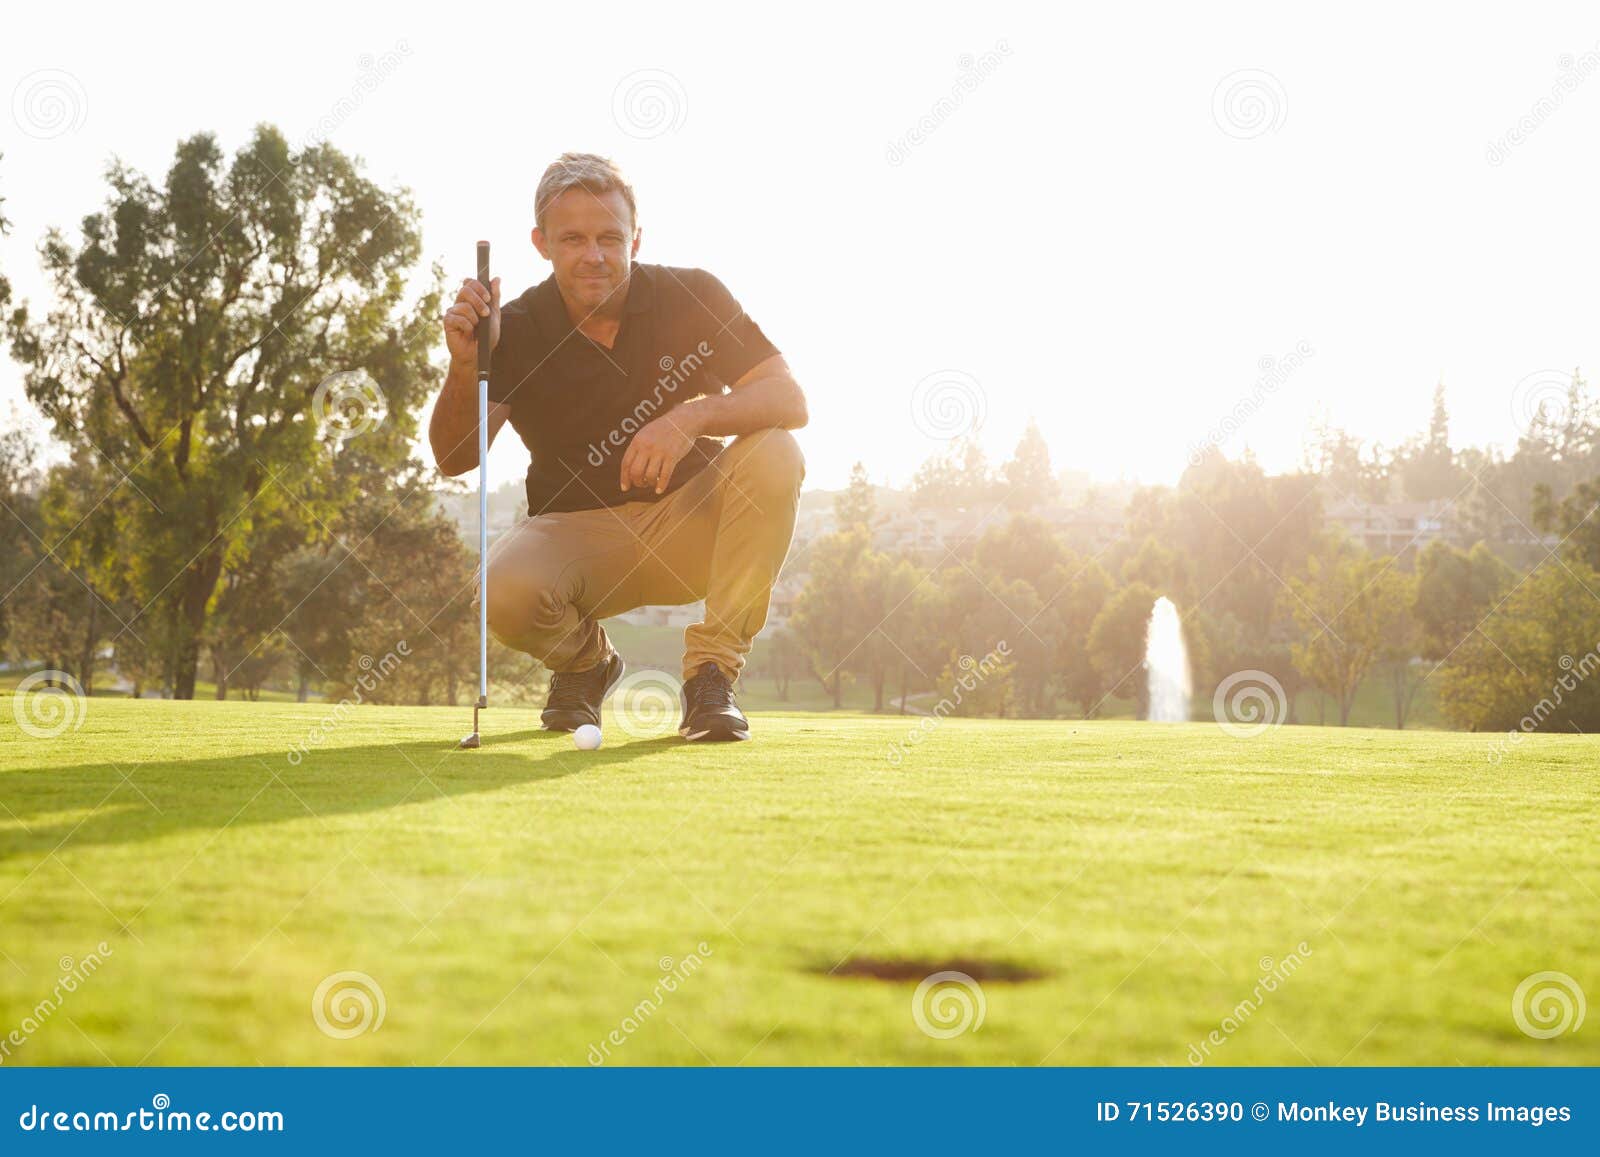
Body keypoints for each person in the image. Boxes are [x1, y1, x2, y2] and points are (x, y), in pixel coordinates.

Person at [430, 153, 808, 741]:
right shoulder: (517, 327)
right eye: (573, 238)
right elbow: (454, 458)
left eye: (610, 236)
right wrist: (464, 366)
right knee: (500, 592)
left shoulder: (693, 293)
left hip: (692, 528)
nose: (595, 256)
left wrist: (692, 417)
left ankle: (712, 676)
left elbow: (789, 398)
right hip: (581, 541)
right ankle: (585, 665)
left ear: (636, 239)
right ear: (542, 243)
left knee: (777, 451)